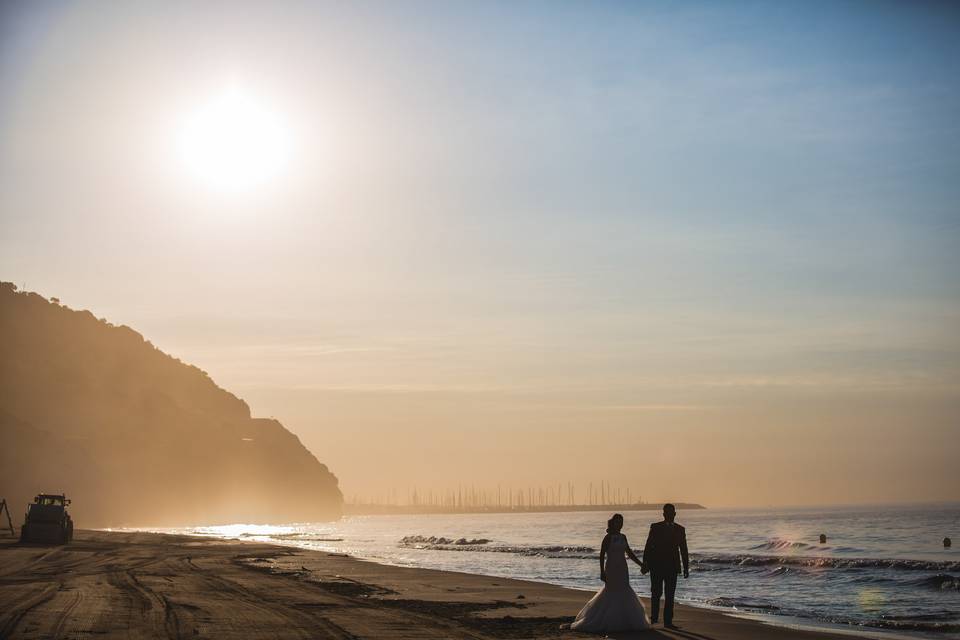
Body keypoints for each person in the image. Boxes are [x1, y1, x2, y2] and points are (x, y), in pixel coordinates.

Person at [570, 513, 651, 633]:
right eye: (618, 522)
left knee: (624, 590)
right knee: (611, 592)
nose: (620, 524)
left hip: (622, 569)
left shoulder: (623, 537)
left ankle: (625, 620)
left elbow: (629, 553)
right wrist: (602, 571)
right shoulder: (608, 537)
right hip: (611, 568)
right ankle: (607, 620)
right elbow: (602, 554)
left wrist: (641, 564)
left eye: (621, 522)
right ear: (613, 523)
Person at [642, 503, 689, 629]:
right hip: (656, 566)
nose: (669, 515)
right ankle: (654, 618)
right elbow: (648, 546)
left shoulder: (680, 529)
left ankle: (668, 621)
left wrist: (686, 567)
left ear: (675, 514)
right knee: (656, 593)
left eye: (671, 512)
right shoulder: (655, 527)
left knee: (670, 594)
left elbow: (684, 550)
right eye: (667, 512)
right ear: (663, 514)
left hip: (672, 567)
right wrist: (645, 562)